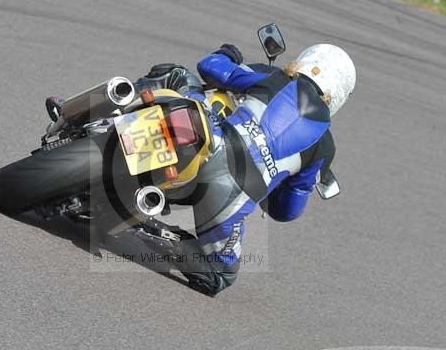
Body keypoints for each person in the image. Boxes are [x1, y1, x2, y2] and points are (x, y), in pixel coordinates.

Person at [135, 42, 356, 296]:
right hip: (231, 197)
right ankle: (148, 230)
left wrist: (226, 54)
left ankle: (117, 104)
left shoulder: (273, 77)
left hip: (207, 144)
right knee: (220, 275)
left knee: (177, 75)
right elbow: (286, 211)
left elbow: (210, 67)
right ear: (339, 93)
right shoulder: (324, 146)